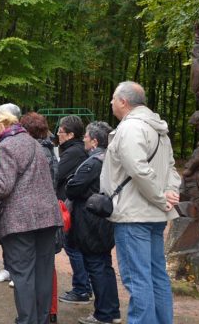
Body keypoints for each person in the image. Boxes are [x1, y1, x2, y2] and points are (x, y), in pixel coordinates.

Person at [0, 109, 62, 324]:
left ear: (0, 126)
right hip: (47, 217)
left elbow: (1, 187)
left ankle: (27, 320)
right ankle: (42, 319)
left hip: (20, 221)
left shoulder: (7, 146)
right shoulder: (34, 142)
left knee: (23, 275)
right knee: (43, 273)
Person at [101, 82, 181, 324]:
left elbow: (138, 170)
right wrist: (169, 193)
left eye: (113, 99)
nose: (111, 103)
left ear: (123, 101)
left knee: (138, 280)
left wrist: (161, 196)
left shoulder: (131, 128)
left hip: (133, 216)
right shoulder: (158, 129)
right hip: (154, 215)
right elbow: (171, 170)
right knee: (156, 276)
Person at [66, 122, 121, 324]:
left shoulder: (94, 162)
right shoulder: (110, 159)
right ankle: (111, 311)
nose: (84, 140)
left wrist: (72, 179)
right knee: (104, 266)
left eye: (86, 137)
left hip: (91, 222)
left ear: (95, 141)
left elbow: (73, 188)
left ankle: (104, 314)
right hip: (104, 220)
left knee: (97, 266)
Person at [20, 111, 61, 322]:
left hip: (36, 217)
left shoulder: (34, 152)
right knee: (45, 268)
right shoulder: (50, 150)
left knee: (37, 269)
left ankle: (42, 315)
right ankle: (46, 313)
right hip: (49, 215)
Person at [55, 115, 92, 305]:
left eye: (60, 132)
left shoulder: (73, 152)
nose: (58, 135)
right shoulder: (75, 150)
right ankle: (85, 286)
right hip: (74, 203)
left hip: (72, 204)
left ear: (70, 134)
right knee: (75, 245)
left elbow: (57, 175)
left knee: (72, 245)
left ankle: (82, 289)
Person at [0, 103, 22, 288]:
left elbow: (3, 184)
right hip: (1, 196)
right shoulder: (0, 141)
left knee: (17, 240)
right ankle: (8, 268)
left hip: (12, 199)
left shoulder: (12, 143)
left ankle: (17, 272)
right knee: (6, 237)